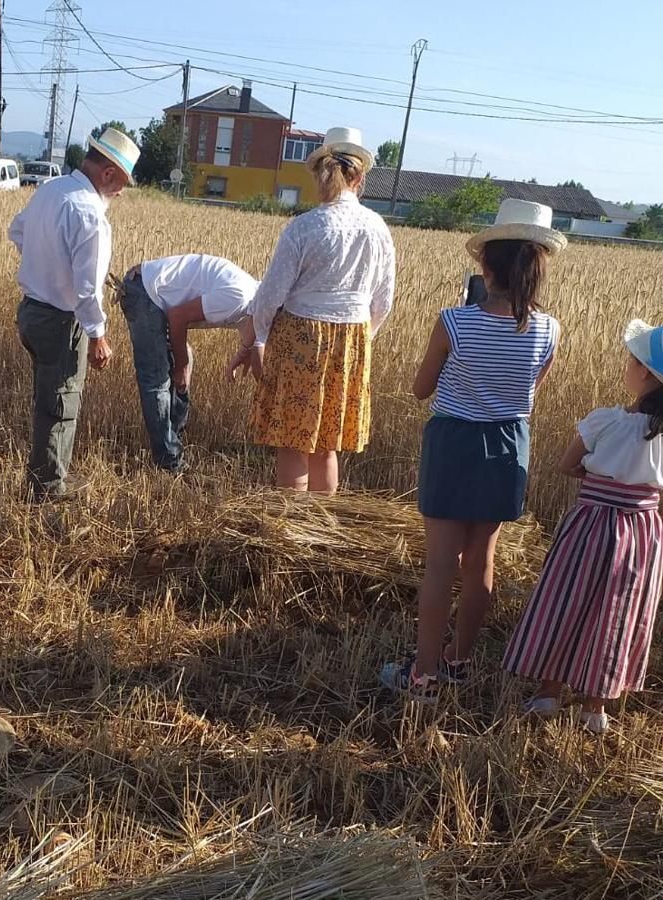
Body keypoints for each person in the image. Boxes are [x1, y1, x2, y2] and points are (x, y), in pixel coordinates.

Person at [379, 198, 567, 702]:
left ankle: (421, 675)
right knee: (482, 560)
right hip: (509, 446)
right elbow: (528, 394)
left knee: (441, 563)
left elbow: (422, 389)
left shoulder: (454, 322)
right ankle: (459, 664)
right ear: (537, 268)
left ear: (486, 265)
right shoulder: (549, 330)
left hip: (455, 442)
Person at [503, 320, 663, 734]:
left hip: (590, 526)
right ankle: (596, 706)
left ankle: (548, 692)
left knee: (568, 601)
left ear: (644, 372)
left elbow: (566, 464)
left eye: (631, 361)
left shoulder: (604, 420)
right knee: (621, 611)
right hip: (642, 535)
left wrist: (598, 481)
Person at [229, 127, 395, 493]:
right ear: (360, 177)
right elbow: (383, 301)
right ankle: (322, 530)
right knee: (327, 443)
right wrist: (359, 340)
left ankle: (293, 530)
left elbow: (271, 295)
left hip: (299, 338)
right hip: (352, 339)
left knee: (293, 441)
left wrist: (259, 337)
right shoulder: (378, 228)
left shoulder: (304, 228)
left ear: (319, 175)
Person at [8, 126, 140, 500]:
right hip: (61, 322)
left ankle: (42, 477)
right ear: (108, 172)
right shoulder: (90, 214)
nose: (121, 192)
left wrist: (43, 263)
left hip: (31, 311)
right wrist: (98, 336)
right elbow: (87, 289)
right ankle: (48, 490)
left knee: (47, 401)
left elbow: (16, 231)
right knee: (61, 405)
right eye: (123, 182)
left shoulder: (51, 189)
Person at [120, 253, 259, 471]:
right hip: (146, 291)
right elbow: (178, 316)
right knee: (157, 378)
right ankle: (169, 462)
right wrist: (181, 365)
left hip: (158, 296)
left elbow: (254, 339)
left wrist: (248, 354)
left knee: (181, 369)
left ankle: (171, 440)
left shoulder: (254, 300)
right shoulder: (239, 298)